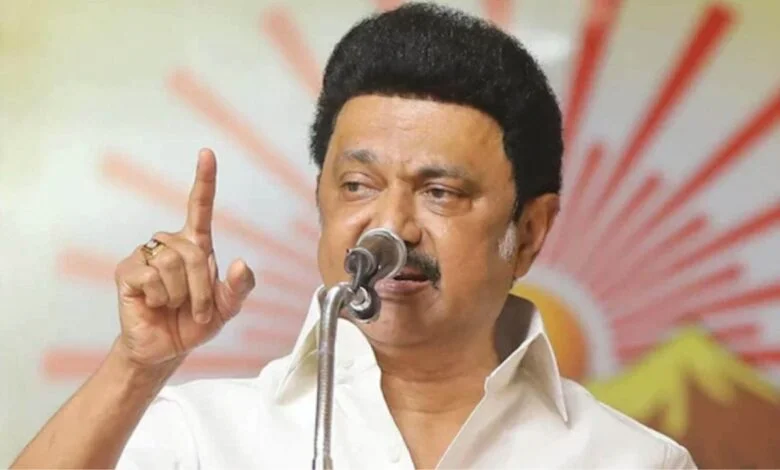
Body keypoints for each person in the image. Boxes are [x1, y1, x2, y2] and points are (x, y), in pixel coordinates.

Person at [12, 3, 696, 469]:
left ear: (530, 232)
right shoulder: (201, 437)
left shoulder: (632, 461)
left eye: (440, 192)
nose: (390, 228)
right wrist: (136, 366)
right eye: (359, 186)